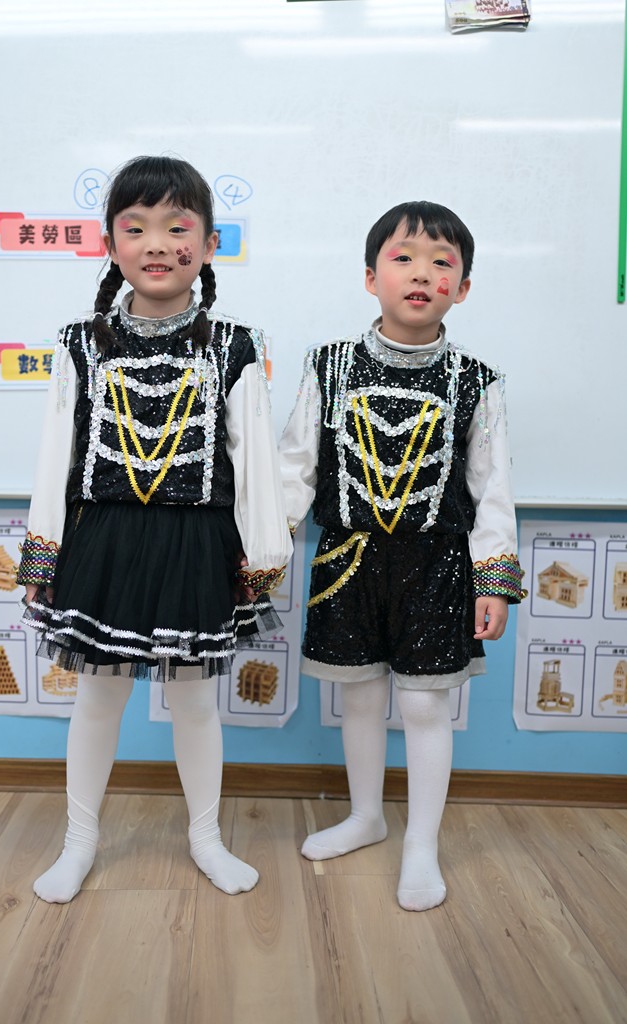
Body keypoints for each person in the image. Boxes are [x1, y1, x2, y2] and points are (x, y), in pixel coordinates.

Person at [18, 155, 291, 903]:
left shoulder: (233, 345)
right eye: (136, 228)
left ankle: (206, 838)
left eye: (178, 227)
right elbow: (55, 456)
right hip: (103, 542)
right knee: (97, 697)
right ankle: (79, 843)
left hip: (195, 545)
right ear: (110, 244)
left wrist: (262, 556)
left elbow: (254, 462)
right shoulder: (80, 343)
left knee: (196, 702)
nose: (158, 244)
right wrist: (44, 553)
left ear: (208, 243)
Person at [279, 201, 525, 912]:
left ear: (462, 287)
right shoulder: (326, 366)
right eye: (403, 258)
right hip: (347, 560)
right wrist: (263, 552)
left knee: (423, 704)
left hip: (437, 565)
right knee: (357, 696)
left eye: (441, 263)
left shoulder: (477, 380)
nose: (421, 274)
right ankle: (366, 816)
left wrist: (492, 579)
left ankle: (421, 842)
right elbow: (295, 467)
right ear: (370, 277)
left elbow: (491, 488)